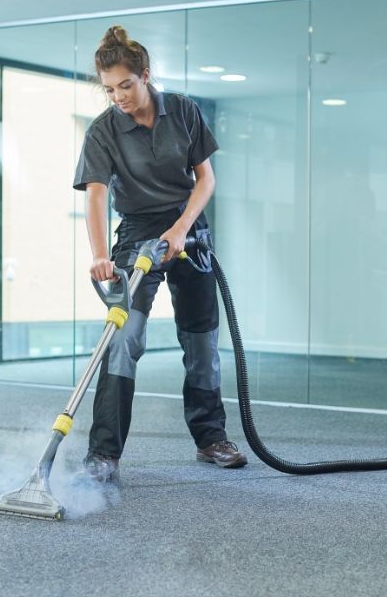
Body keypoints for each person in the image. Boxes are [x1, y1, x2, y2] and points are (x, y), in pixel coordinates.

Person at [73, 25, 247, 482]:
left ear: (145, 75)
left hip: (187, 228)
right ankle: (103, 453)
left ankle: (211, 438)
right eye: (109, 90)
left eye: (126, 85)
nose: (119, 97)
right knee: (124, 337)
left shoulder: (184, 111)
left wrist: (181, 229)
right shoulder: (103, 130)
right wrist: (99, 255)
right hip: (136, 234)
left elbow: (205, 179)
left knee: (201, 339)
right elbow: (94, 196)